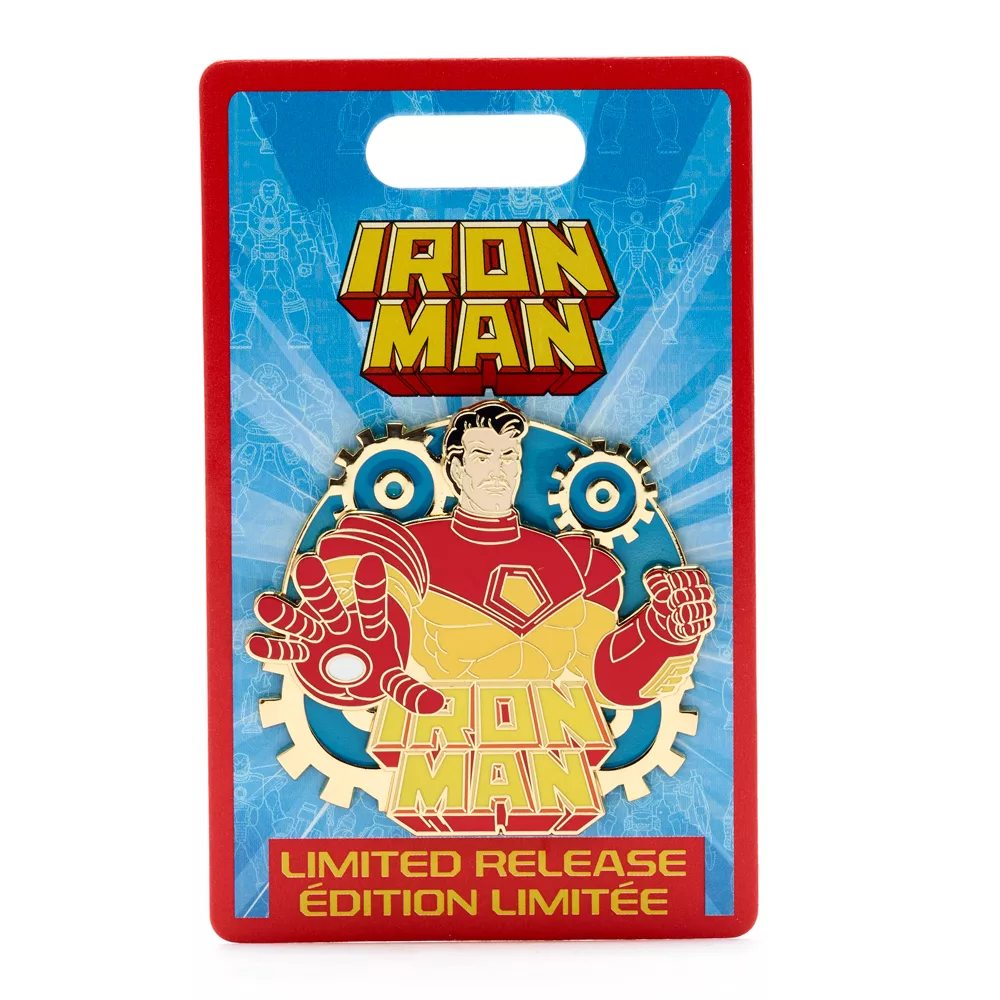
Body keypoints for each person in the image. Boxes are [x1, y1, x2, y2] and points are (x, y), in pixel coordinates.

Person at [246, 399, 715, 716]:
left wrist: (662, 632)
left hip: (555, 776)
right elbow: (356, 616)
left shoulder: (574, 562)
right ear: (454, 467)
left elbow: (608, 678)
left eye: (509, 456)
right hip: (426, 769)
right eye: (483, 456)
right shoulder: (408, 551)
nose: (499, 470)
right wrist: (348, 662)